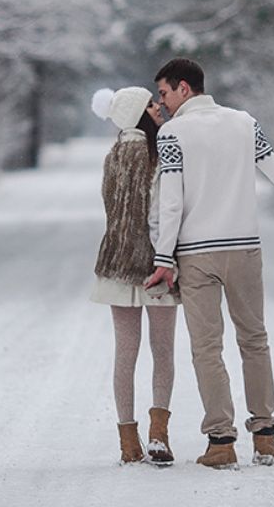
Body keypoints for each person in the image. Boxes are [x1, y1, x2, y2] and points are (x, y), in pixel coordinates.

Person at [143, 58, 274, 468]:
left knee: (206, 348)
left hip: (197, 254)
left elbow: (172, 201)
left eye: (163, 93)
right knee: (254, 340)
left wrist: (164, 258)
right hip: (245, 250)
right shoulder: (244, 123)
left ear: (183, 88)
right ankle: (265, 437)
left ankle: (221, 442)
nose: (162, 102)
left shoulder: (173, 134)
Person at [89, 86, 180, 466]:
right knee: (162, 351)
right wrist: (168, 260)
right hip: (153, 266)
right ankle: (158, 433)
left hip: (114, 265)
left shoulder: (112, 156)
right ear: (138, 113)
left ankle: (129, 442)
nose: (158, 106)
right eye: (151, 104)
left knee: (125, 354)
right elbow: (161, 213)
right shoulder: (157, 153)